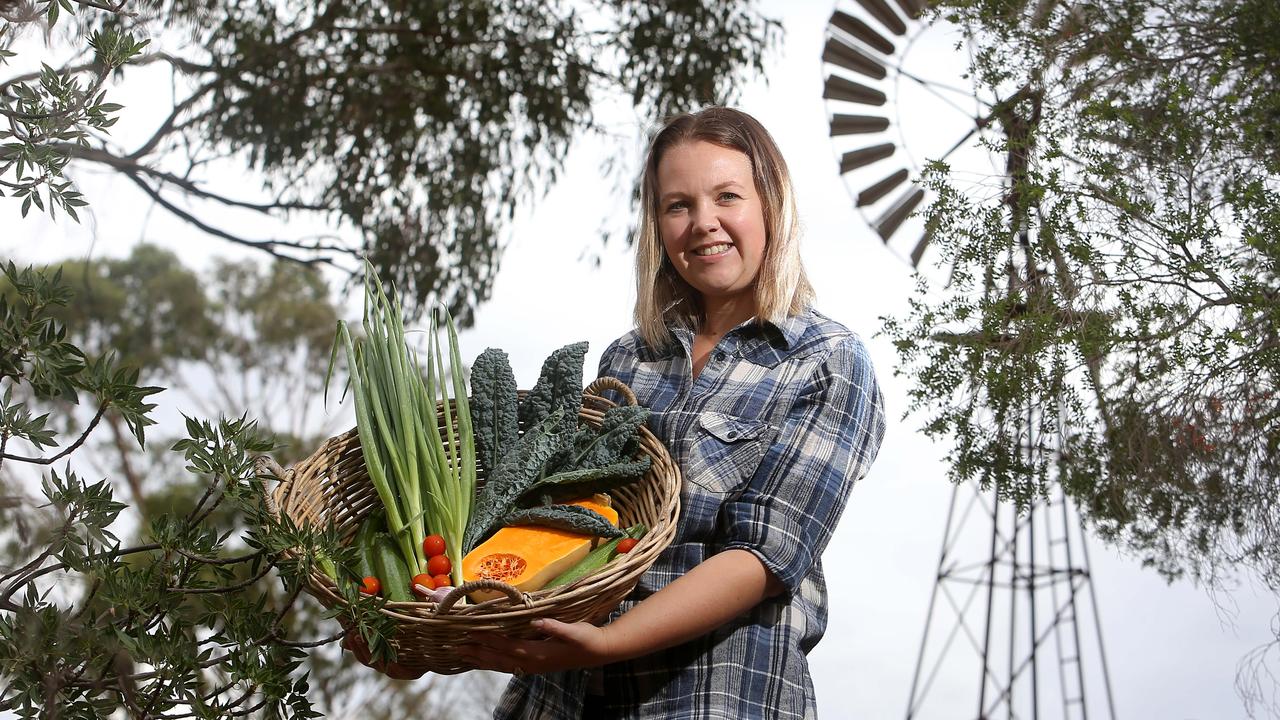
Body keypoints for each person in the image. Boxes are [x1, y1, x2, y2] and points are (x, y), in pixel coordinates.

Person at [350, 106, 886, 719]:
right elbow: (560, 531)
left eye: (727, 197)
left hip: (714, 693)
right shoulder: (631, 358)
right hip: (564, 697)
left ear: (772, 205)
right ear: (657, 224)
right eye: (677, 205)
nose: (702, 223)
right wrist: (435, 633)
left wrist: (606, 643)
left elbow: (764, 558)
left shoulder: (826, 361)